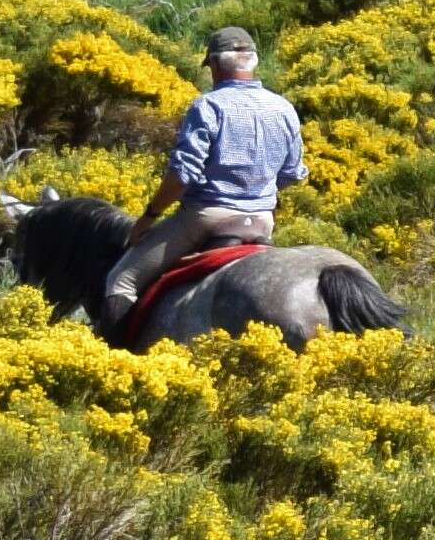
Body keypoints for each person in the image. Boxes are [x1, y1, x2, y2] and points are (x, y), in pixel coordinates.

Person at [108, 26, 304, 325]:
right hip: (262, 220)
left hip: (206, 218)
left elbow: (182, 176)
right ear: (253, 61)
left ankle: (116, 360)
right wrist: (257, 190)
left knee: (121, 281)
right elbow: (292, 173)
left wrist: (149, 216)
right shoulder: (283, 108)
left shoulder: (208, 106)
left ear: (214, 65)